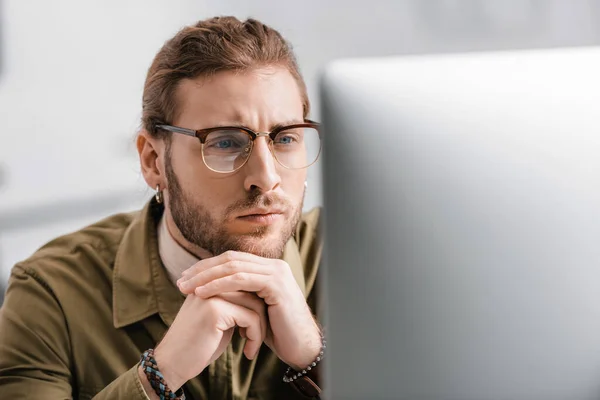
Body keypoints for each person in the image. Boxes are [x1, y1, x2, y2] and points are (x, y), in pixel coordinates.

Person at [0, 16, 325, 399]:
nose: (266, 177)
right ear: (154, 160)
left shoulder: (358, 257)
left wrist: (318, 358)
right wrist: (159, 375)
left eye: (285, 138)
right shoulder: (51, 293)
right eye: (225, 143)